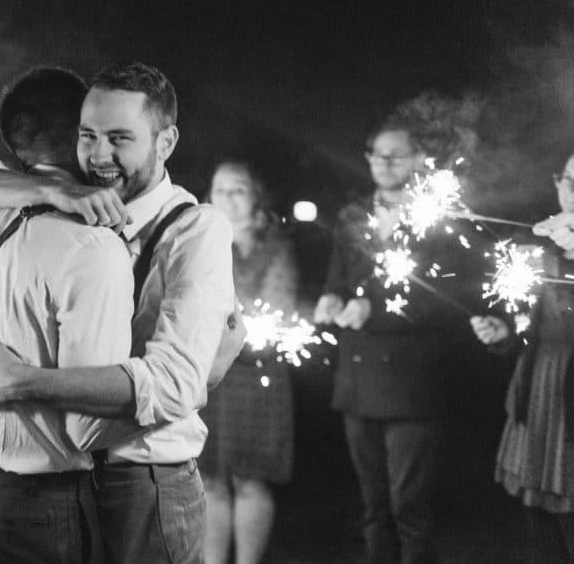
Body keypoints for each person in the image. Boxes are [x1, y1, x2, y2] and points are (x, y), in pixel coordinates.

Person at [0, 61, 238, 564]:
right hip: (76, 487)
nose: (99, 155)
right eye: (88, 135)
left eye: (119, 138)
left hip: (147, 482)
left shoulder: (195, 229)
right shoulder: (73, 212)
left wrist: (25, 382)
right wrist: (50, 188)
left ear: (165, 142)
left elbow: (176, 383)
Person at [0, 67, 137, 563]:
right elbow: (89, 428)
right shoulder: (89, 245)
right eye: (95, 133)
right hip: (37, 508)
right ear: (79, 136)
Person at [313, 117, 465, 564]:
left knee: (408, 508)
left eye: (395, 154)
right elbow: (337, 279)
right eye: (376, 154)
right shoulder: (353, 216)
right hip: (357, 382)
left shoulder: (438, 222)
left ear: (420, 159)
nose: (383, 162)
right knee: (374, 507)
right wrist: (329, 298)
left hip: (412, 386)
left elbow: (446, 300)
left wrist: (374, 312)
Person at [470, 152, 574, 561]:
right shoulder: (540, 242)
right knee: (540, 518)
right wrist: (504, 334)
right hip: (540, 389)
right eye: (568, 179)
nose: (573, 192)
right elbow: (527, 321)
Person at [200, 161, 298, 564]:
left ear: (256, 196)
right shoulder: (198, 243)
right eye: (220, 190)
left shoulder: (275, 247)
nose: (228, 199)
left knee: (250, 480)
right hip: (208, 379)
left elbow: (275, 310)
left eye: (238, 189)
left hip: (255, 377)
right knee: (208, 480)